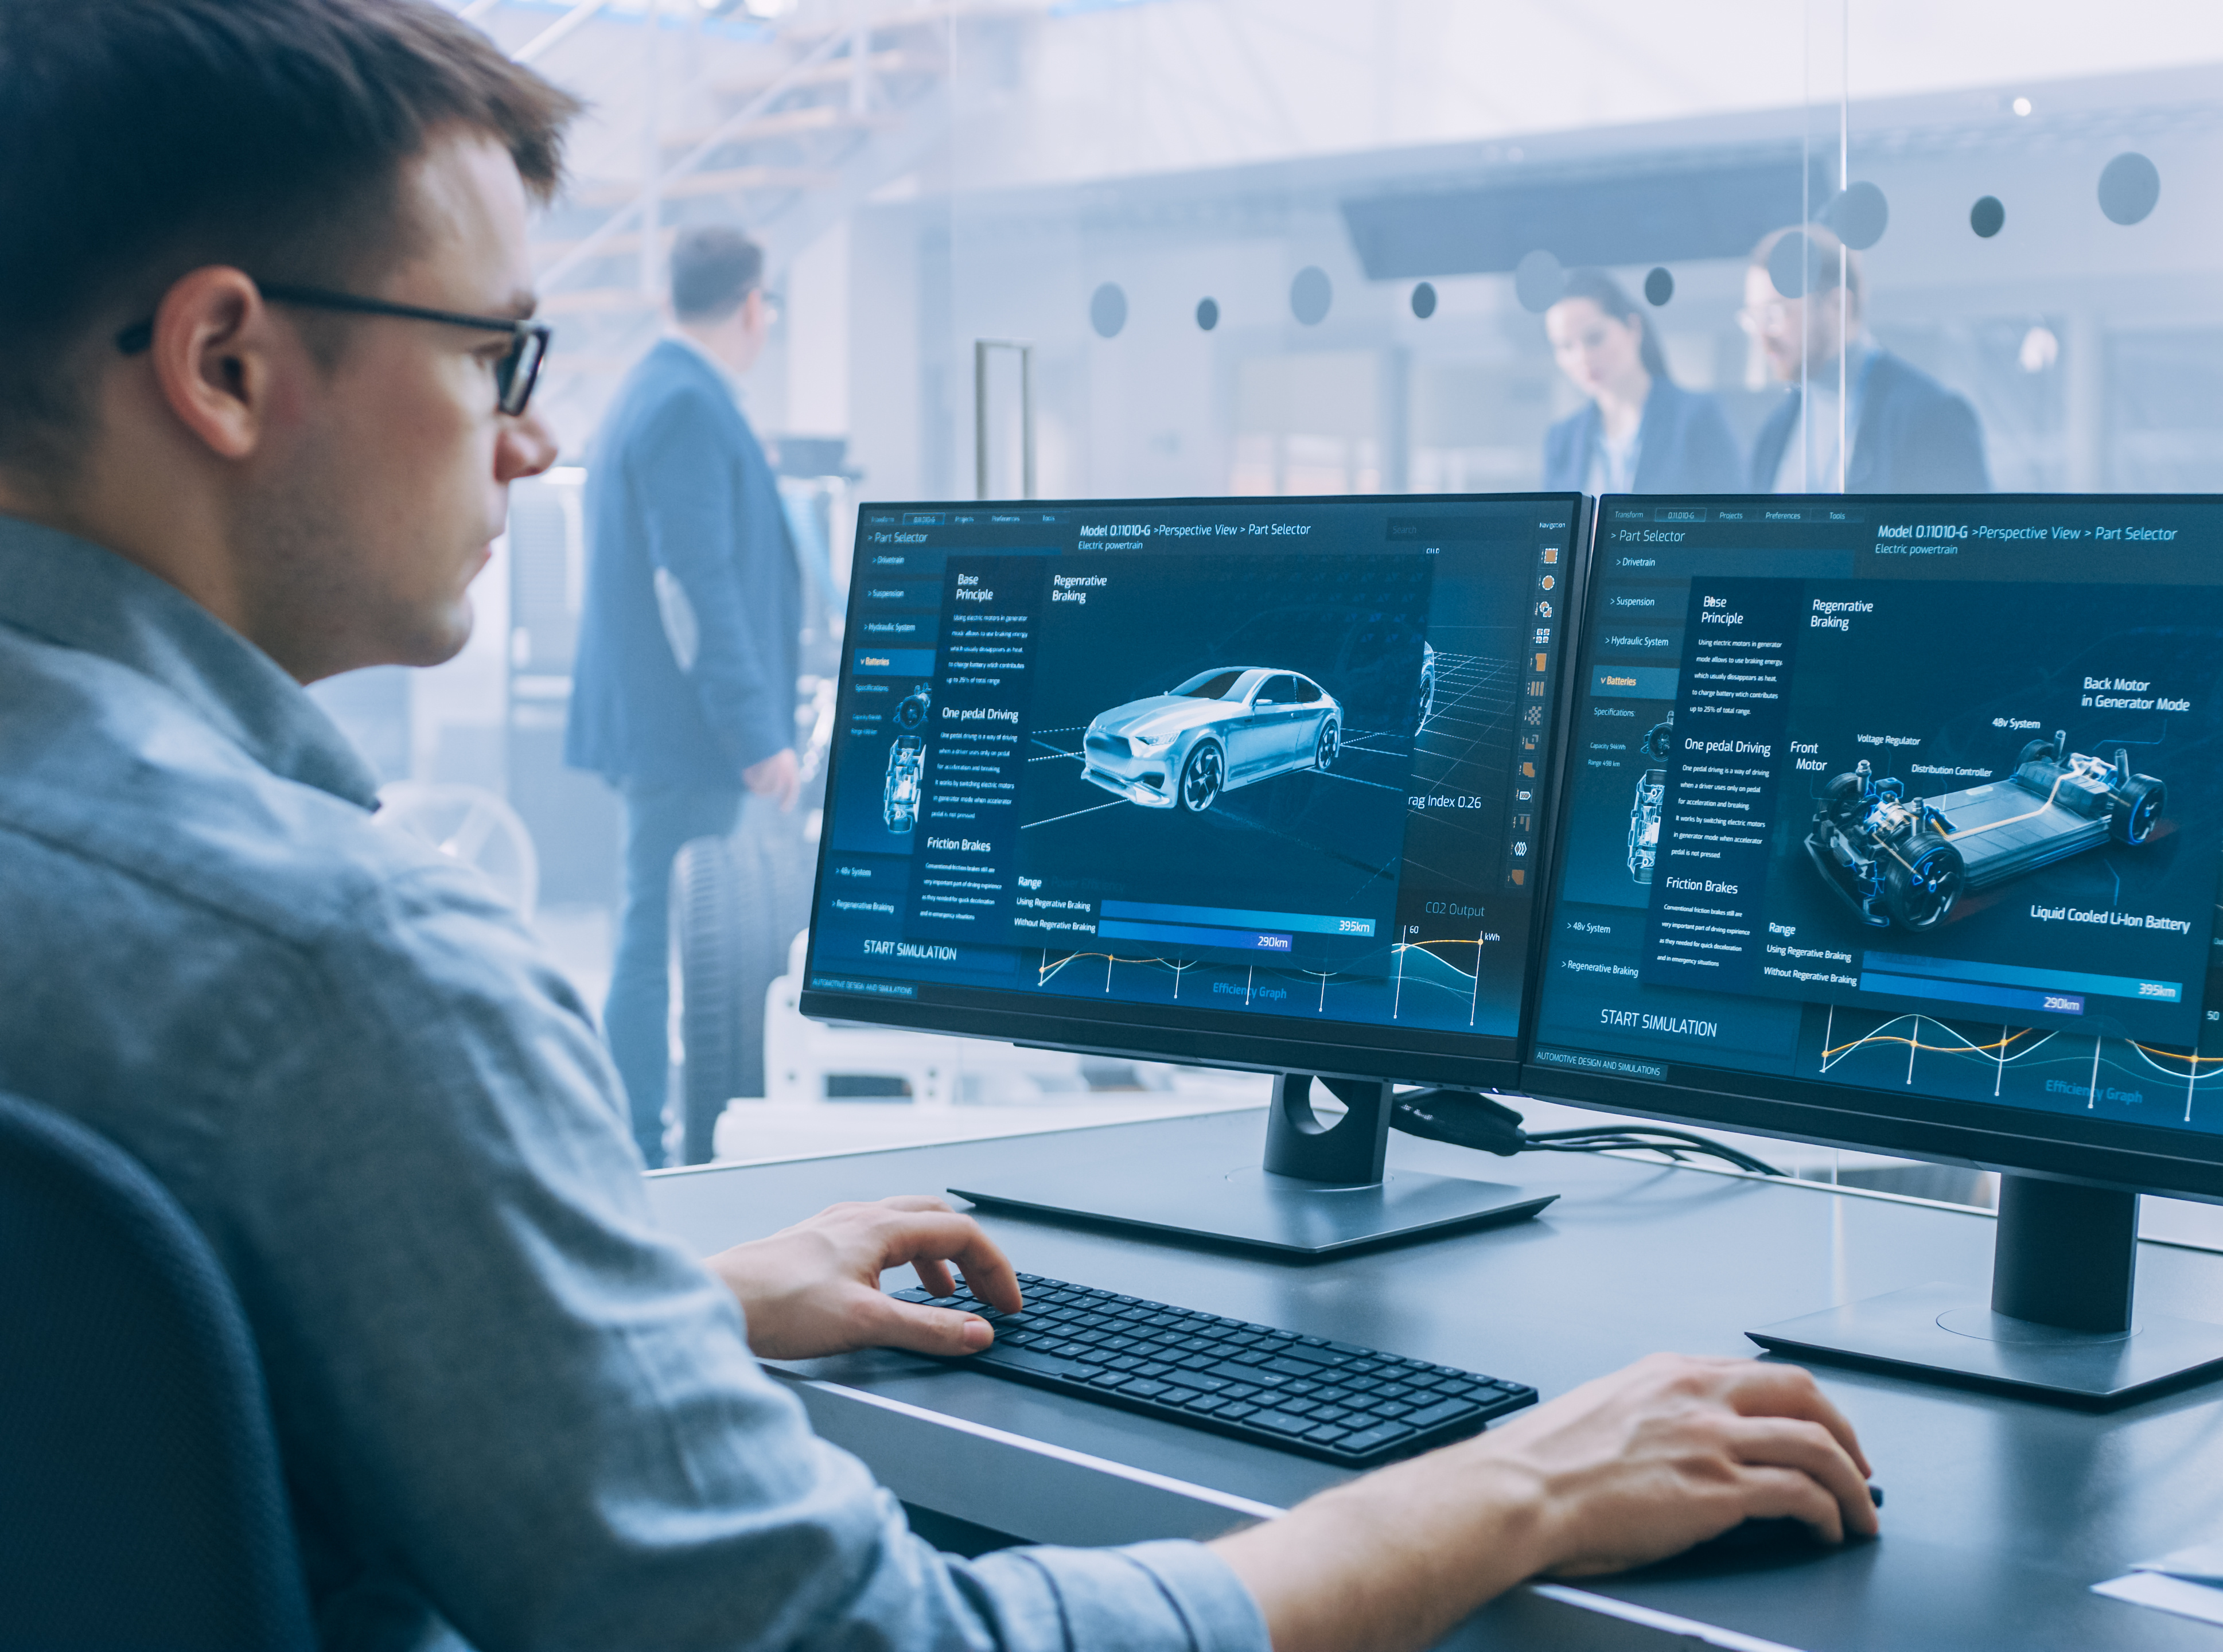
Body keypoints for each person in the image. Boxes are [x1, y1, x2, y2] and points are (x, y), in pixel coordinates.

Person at [0, 5, 1877, 1651]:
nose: (533, 445)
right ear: (225, 365)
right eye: (498, 356)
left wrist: (669, 1310)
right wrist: (1508, 1491)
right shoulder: (342, 976)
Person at [566, 225, 803, 1167]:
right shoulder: (687, 405)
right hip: (686, 732)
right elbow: (693, 584)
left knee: (651, 925)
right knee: (664, 935)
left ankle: (645, 1135)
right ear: (752, 305)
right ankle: (646, 1144)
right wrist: (755, 728)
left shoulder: (655, 390)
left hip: (663, 725)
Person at [1742, 224, 1991, 494]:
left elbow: (1962, 534)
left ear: (1838, 307)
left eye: (1774, 315)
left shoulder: (1931, 417)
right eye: (1754, 319)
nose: (1762, 338)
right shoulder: (1773, 434)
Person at [1540, 268, 1742, 494]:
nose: (1582, 357)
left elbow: (1729, 517)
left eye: (1595, 338)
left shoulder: (1697, 417)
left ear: (1633, 328)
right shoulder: (1563, 440)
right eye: (1566, 346)